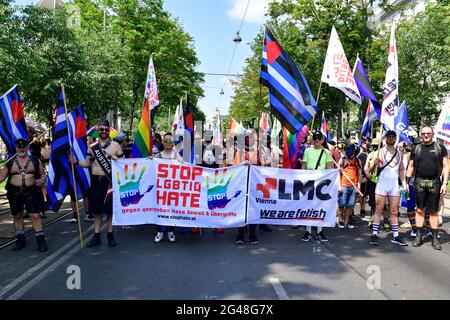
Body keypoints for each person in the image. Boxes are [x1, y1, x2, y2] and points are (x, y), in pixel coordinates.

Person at [71, 120, 124, 247]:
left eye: (106, 129)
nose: (104, 132)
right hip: (95, 181)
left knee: (109, 211)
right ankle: (96, 236)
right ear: (98, 131)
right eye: (102, 129)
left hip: (109, 181)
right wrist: (76, 161)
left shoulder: (116, 145)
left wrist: (116, 159)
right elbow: (87, 163)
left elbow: (123, 164)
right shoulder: (92, 146)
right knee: (96, 211)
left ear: (109, 131)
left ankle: (110, 235)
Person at [0, 138, 47, 252]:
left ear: (27, 147)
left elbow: (43, 174)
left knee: (35, 215)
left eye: (23, 146)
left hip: (31, 192)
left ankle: (41, 241)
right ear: (16, 148)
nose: (21, 149)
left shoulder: (35, 160)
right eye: (19, 147)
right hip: (14, 193)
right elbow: (1, 177)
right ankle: (20, 240)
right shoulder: (10, 162)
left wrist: (41, 180)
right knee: (17, 216)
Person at [407, 126, 448, 250]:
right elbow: (411, 166)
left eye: (428, 133)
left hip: (435, 182)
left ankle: (435, 238)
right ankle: (419, 237)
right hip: (419, 182)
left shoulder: (440, 148)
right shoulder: (416, 149)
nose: (425, 135)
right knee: (419, 210)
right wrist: (406, 183)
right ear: (420, 134)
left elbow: (446, 166)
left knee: (434, 211)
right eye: (423, 133)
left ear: (433, 134)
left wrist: (445, 183)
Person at [369, 130, 408, 246]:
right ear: (385, 138)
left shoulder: (400, 154)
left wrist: (404, 183)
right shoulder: (379, 152)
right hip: (382, 185)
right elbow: (371, 170)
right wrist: (374, 163)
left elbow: (401, 170)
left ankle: (395, 236)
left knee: (394, 211)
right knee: (378, 210)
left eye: (393, 137)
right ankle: (374, 234)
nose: (391, 139)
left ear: (395, 139)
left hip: (394, 186)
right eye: (389, 137)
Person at [300, 131, 333, 242]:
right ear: (312, 139)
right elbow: (303, 167)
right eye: (315, 138)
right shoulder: (308, 151)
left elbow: (329, 168)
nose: (317, 140)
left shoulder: (326, 152)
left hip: (321, 184)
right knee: (309, 207)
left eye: (319, 138)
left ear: (323, 140)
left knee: (320, 207)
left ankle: (320, 231)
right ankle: (308, 231)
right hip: (309, 182)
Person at [152, 132, 182, 243]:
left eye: (170, 141)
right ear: (163, 142)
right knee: (159, 209)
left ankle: (171, 231)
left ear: (173, 143)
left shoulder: (177, 156)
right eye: (166, 141)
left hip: (173, 189)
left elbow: (183, 169)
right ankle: (159, 232)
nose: (168, 143)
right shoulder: (158, 156)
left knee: (172, 210)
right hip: (160, 189)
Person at [337, 143, 362, 229]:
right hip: (344, 185)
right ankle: (340, 220)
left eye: (350, 149)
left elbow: (359, 175)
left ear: (354, 151)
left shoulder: (358, 161)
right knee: (341, 204)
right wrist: (339, 186)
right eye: (347, 149)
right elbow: (338, 174)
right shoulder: (342, 160)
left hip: (353, 186)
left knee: (349, 205)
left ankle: (346, 221)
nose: (348, 151)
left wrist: (358, 186)